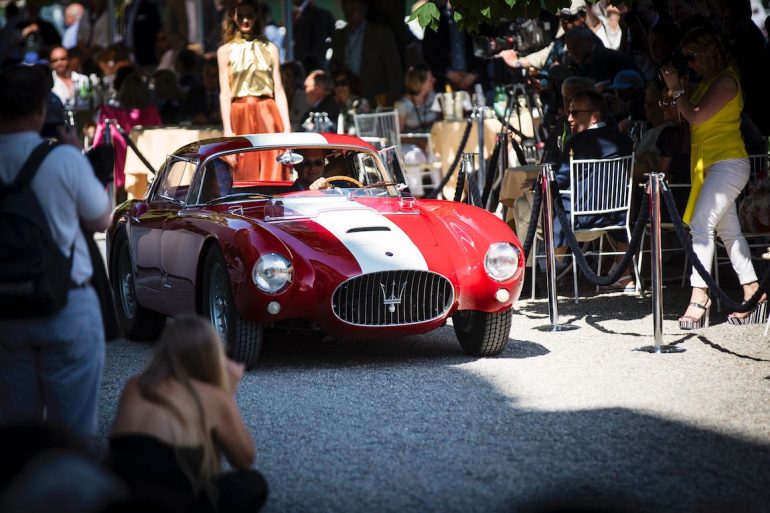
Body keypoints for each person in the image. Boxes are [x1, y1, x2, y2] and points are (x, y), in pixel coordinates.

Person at [0, 65, 111, 441]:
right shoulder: (62, 159)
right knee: (73, 434)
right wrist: (76, 155)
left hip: (6, 311)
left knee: (16, 435)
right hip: (66, 301)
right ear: (39, 110)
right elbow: (101, 218)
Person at [661, 27, 766, 328]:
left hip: (729, 163)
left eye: (693, 57)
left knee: (700, 224)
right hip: (708, 165)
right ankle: (752, 291)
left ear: (709, 52)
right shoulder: (706, 83)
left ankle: (700, 295)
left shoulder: (726, 80)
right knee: (728, 231)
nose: (690, 63)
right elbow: (677, 119)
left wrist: (679, 91)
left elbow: (695, 115)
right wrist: (671, 91)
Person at [108, 314, 267, 513]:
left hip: (122, 499)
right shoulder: (211, 396)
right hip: (172, 504)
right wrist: (227, 391)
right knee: (253, 483)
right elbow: (244, 459)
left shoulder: (135, 385)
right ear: (210, 356)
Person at [218, 0, 290, 181]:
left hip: (268, 111)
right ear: (233, 16)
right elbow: (225, 93)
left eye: (249, 15)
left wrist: (287, 127)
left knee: (273, 164)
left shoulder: (270, 48)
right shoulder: (225, 51)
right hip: (239, 112)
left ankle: (274, 207)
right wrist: (227, 129)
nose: (245, 20)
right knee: (243, 169)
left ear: (257, 16)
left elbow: (279, 90)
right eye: (240, 15)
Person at [92, 70, 162, 203]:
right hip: (146, 170)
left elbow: (98, 144)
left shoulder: (109, 113)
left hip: (118, 172)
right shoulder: (151, 112)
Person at [330, 0, 403, 108]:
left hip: (376, 102)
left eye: (355, 6)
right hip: (347, 102)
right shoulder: (339, 35)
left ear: (364, 8)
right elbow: (335, 68)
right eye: (347, 6)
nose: (352, 10)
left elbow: (394, 72)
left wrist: (389, 104)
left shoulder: (381, 33)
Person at [394, 64, 438, 133]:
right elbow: (398, 136)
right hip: (413, 143)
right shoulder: (403, 105)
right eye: (430, 79)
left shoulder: (432, 96)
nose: (434, 79)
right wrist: (419, 142)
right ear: (420, 83)